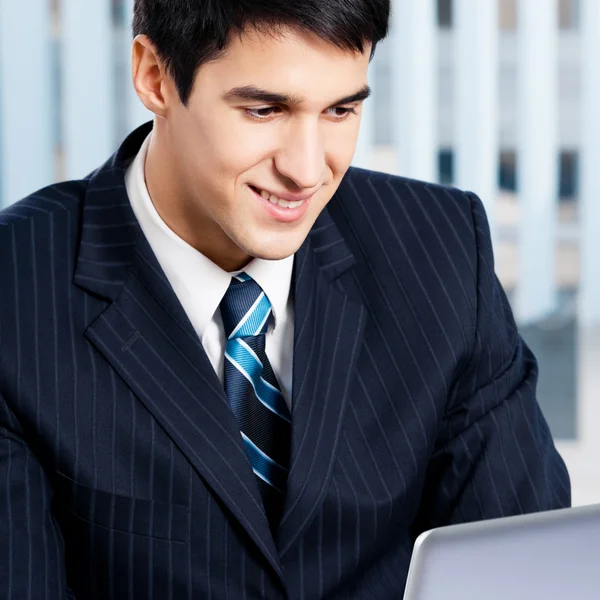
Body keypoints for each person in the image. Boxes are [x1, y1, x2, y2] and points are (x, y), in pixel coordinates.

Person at [0, 0, 570, 598]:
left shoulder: (443, 250)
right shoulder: (19, 294)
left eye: (340, 110)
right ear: (154, 76)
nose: (306, 170)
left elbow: (527, 570)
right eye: (264, 109)